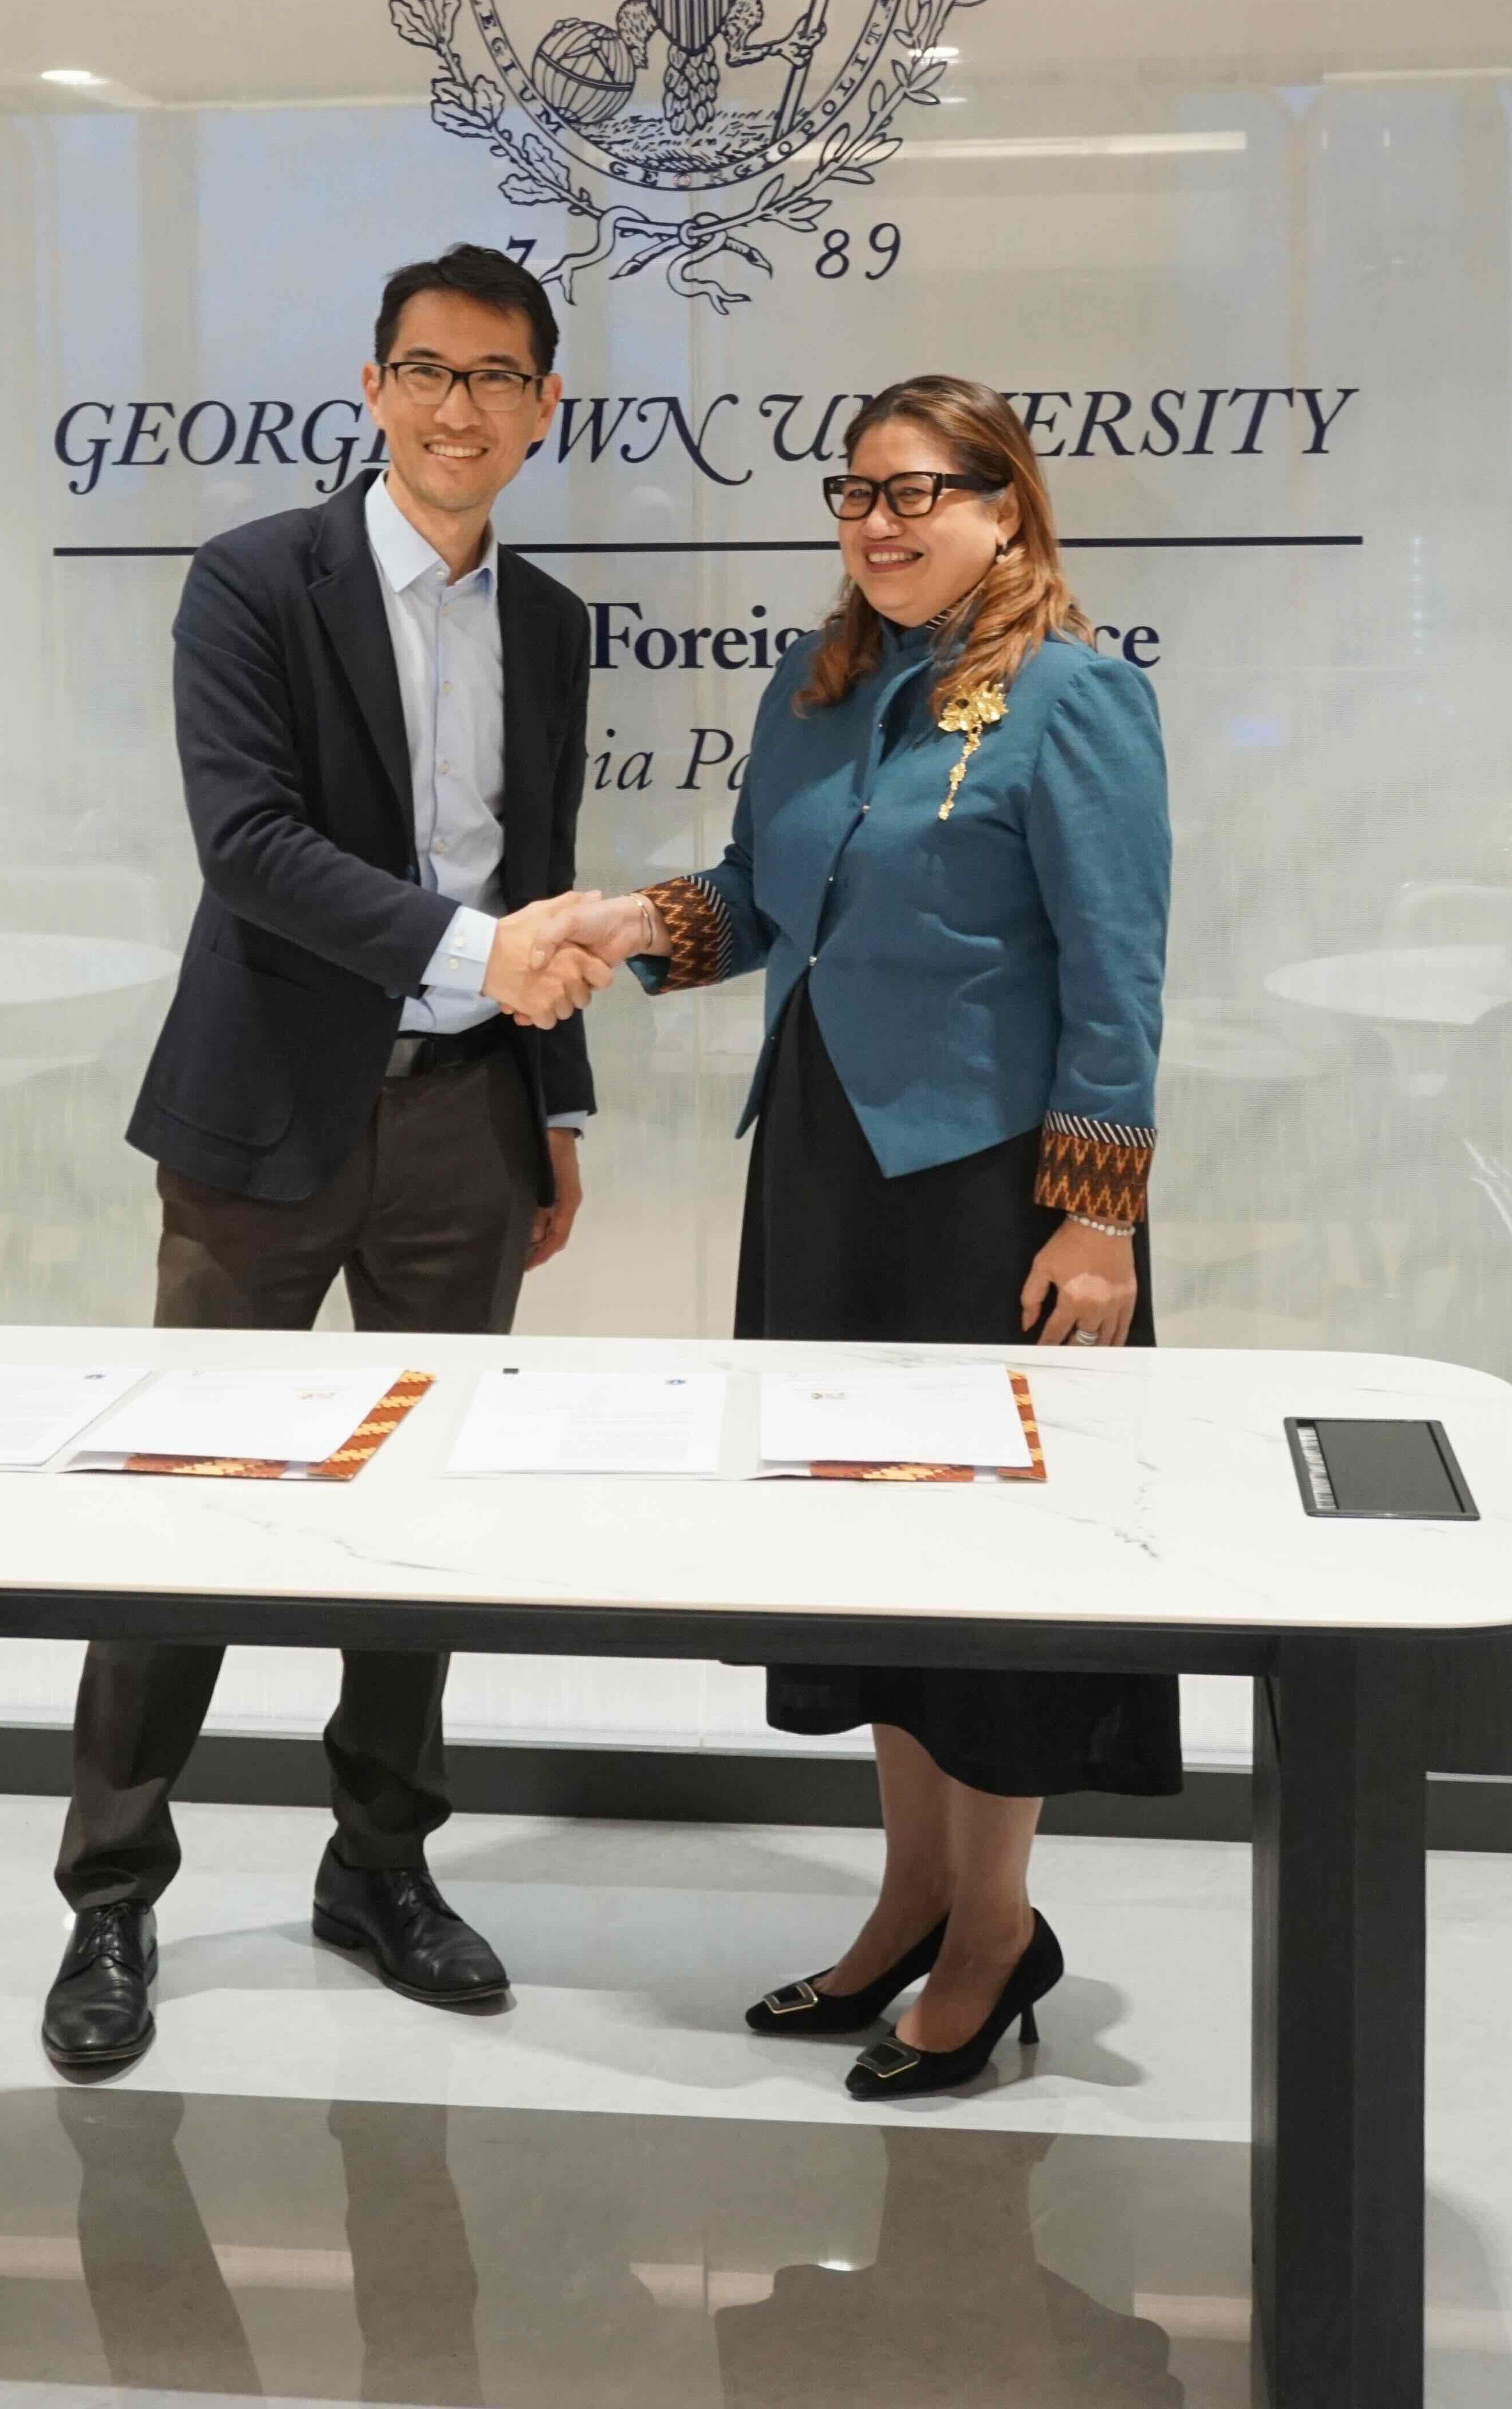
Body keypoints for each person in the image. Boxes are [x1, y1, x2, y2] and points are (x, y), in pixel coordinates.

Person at [555, 374, 1176, 2099]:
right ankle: (911, 1899)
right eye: (856, 494)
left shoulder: (1075, 697)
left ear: (1006, 508)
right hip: (824, 1170)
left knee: (990, 1580)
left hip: (995, 1190)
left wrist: (1099, 1221)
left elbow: (1116, 973)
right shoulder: (818, 686)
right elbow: (760, 900)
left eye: (919, 492)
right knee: (869, 1566)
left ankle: (997, 1933)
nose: (882, 523)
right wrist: (626, 928)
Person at [43, 243, 614, 2078]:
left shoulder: (554, 625)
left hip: (468, 1117)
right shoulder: (254, 581)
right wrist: (480, 958)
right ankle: (112, 1893)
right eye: (428, 372)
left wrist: (557, 1105)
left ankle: (379, 1869)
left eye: (499, 377)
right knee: (185, 1507)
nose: (462, 408)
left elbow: (540, 864)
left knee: (418, 1517)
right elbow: (254, 847)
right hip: (265, 1118)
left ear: (546, 407)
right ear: (370, 390)